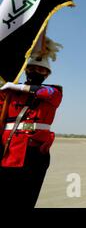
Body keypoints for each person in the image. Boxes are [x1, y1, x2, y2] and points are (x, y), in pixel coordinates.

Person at [0, 37, 63, 208]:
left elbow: (46, 93)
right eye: (33, 68)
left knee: (26, 199)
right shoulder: (9, 92)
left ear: (47, 74)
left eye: (42, 71)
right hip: (8, 151)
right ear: (26, 70)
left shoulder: (55, 91)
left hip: (34, 154)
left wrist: (19, 87)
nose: (37, 72)